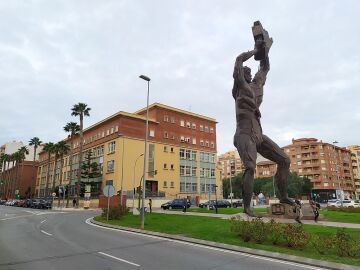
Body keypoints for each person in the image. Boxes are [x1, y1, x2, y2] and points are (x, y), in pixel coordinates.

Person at [232, 39, 293, 217]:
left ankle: (284, 196)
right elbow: (238, 62)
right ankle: (247, 207)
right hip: (244, 135)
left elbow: (264, 68)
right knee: (250, 167)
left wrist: (264, 51)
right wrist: (253, 51)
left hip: (258, 135)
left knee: (285, 160)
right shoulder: (239, 89)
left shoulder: (256, 86)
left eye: (250, 71)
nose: (249, 73)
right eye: (246, 72)